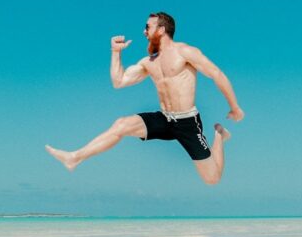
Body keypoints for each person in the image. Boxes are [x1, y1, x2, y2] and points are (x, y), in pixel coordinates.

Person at [46, 12, 244, 185]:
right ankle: (75, 157)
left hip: (187, 122)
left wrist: (234, 107)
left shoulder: (185, 52)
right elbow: (119, 82)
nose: (144, 32)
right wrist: (116, 53)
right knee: (121, 125)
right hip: (165, 119)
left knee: (212, 179)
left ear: (161, 29)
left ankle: (219, 135)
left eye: (147, 27)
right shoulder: (149, 62)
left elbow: (217, 74)